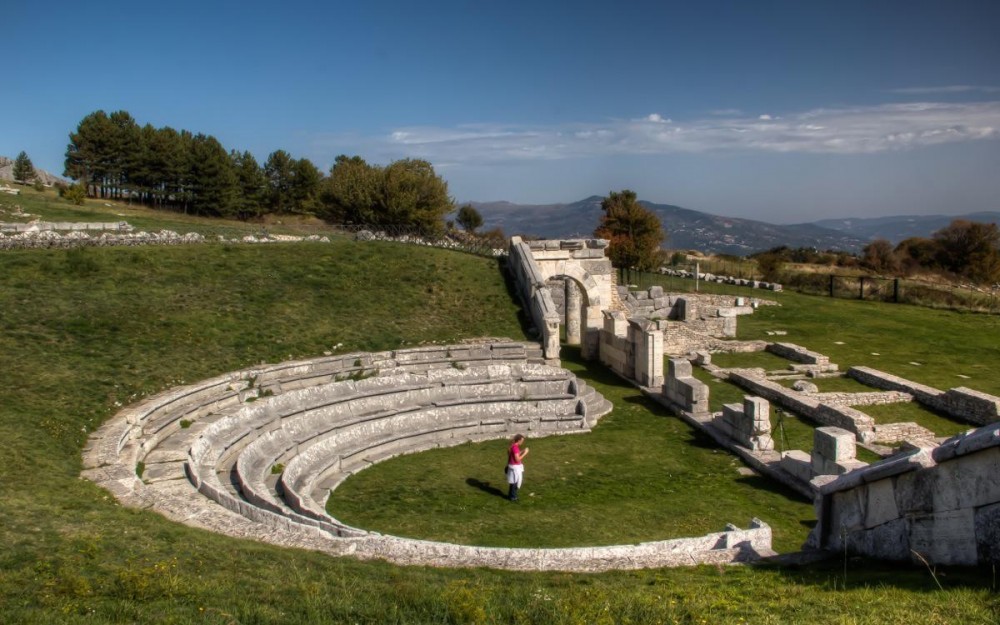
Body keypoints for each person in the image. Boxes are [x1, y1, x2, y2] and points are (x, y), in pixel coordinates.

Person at [506, 434, 529, 501]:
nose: (522, 442)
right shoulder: (515, 447)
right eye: (522, 441)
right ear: (518, 440)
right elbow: (517, 459)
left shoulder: (512, 446)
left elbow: (516, 454)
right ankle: (513, 497)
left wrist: (522, 451)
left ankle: (511, 495)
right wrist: (525, 453)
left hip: (512, 466)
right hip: (515, 467)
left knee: (512, 482)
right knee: (516, 482)